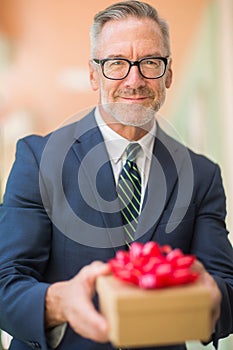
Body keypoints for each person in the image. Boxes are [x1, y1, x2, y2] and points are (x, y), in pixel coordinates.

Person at [0, 1, 233, 349]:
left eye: (150, 62)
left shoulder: (201, 174)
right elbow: (6, 282)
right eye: (116, 64)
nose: (134, 80)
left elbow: (226, 289)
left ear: (168, 73)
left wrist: (210, 301)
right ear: (94, 74)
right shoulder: (37, 158)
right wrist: (60, 302)